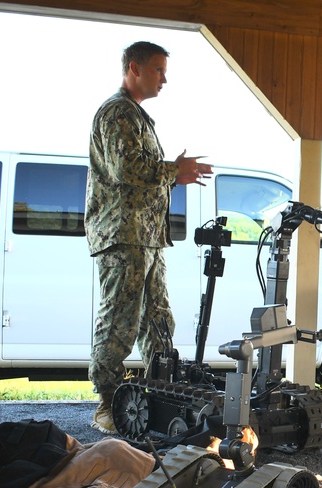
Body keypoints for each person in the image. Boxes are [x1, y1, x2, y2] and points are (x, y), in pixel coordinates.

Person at [86, 41, 213, 433]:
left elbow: (142, 176)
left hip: (146, 238)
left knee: (158, 321)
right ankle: (108, 404)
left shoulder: (136, 116)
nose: (164, 78)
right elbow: (127, 169)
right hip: (124, 237)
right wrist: (172, 169)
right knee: (120, 322)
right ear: (134, 68)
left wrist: (173, 174)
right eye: (158, 70)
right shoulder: (116, 113)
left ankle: (160, 400)